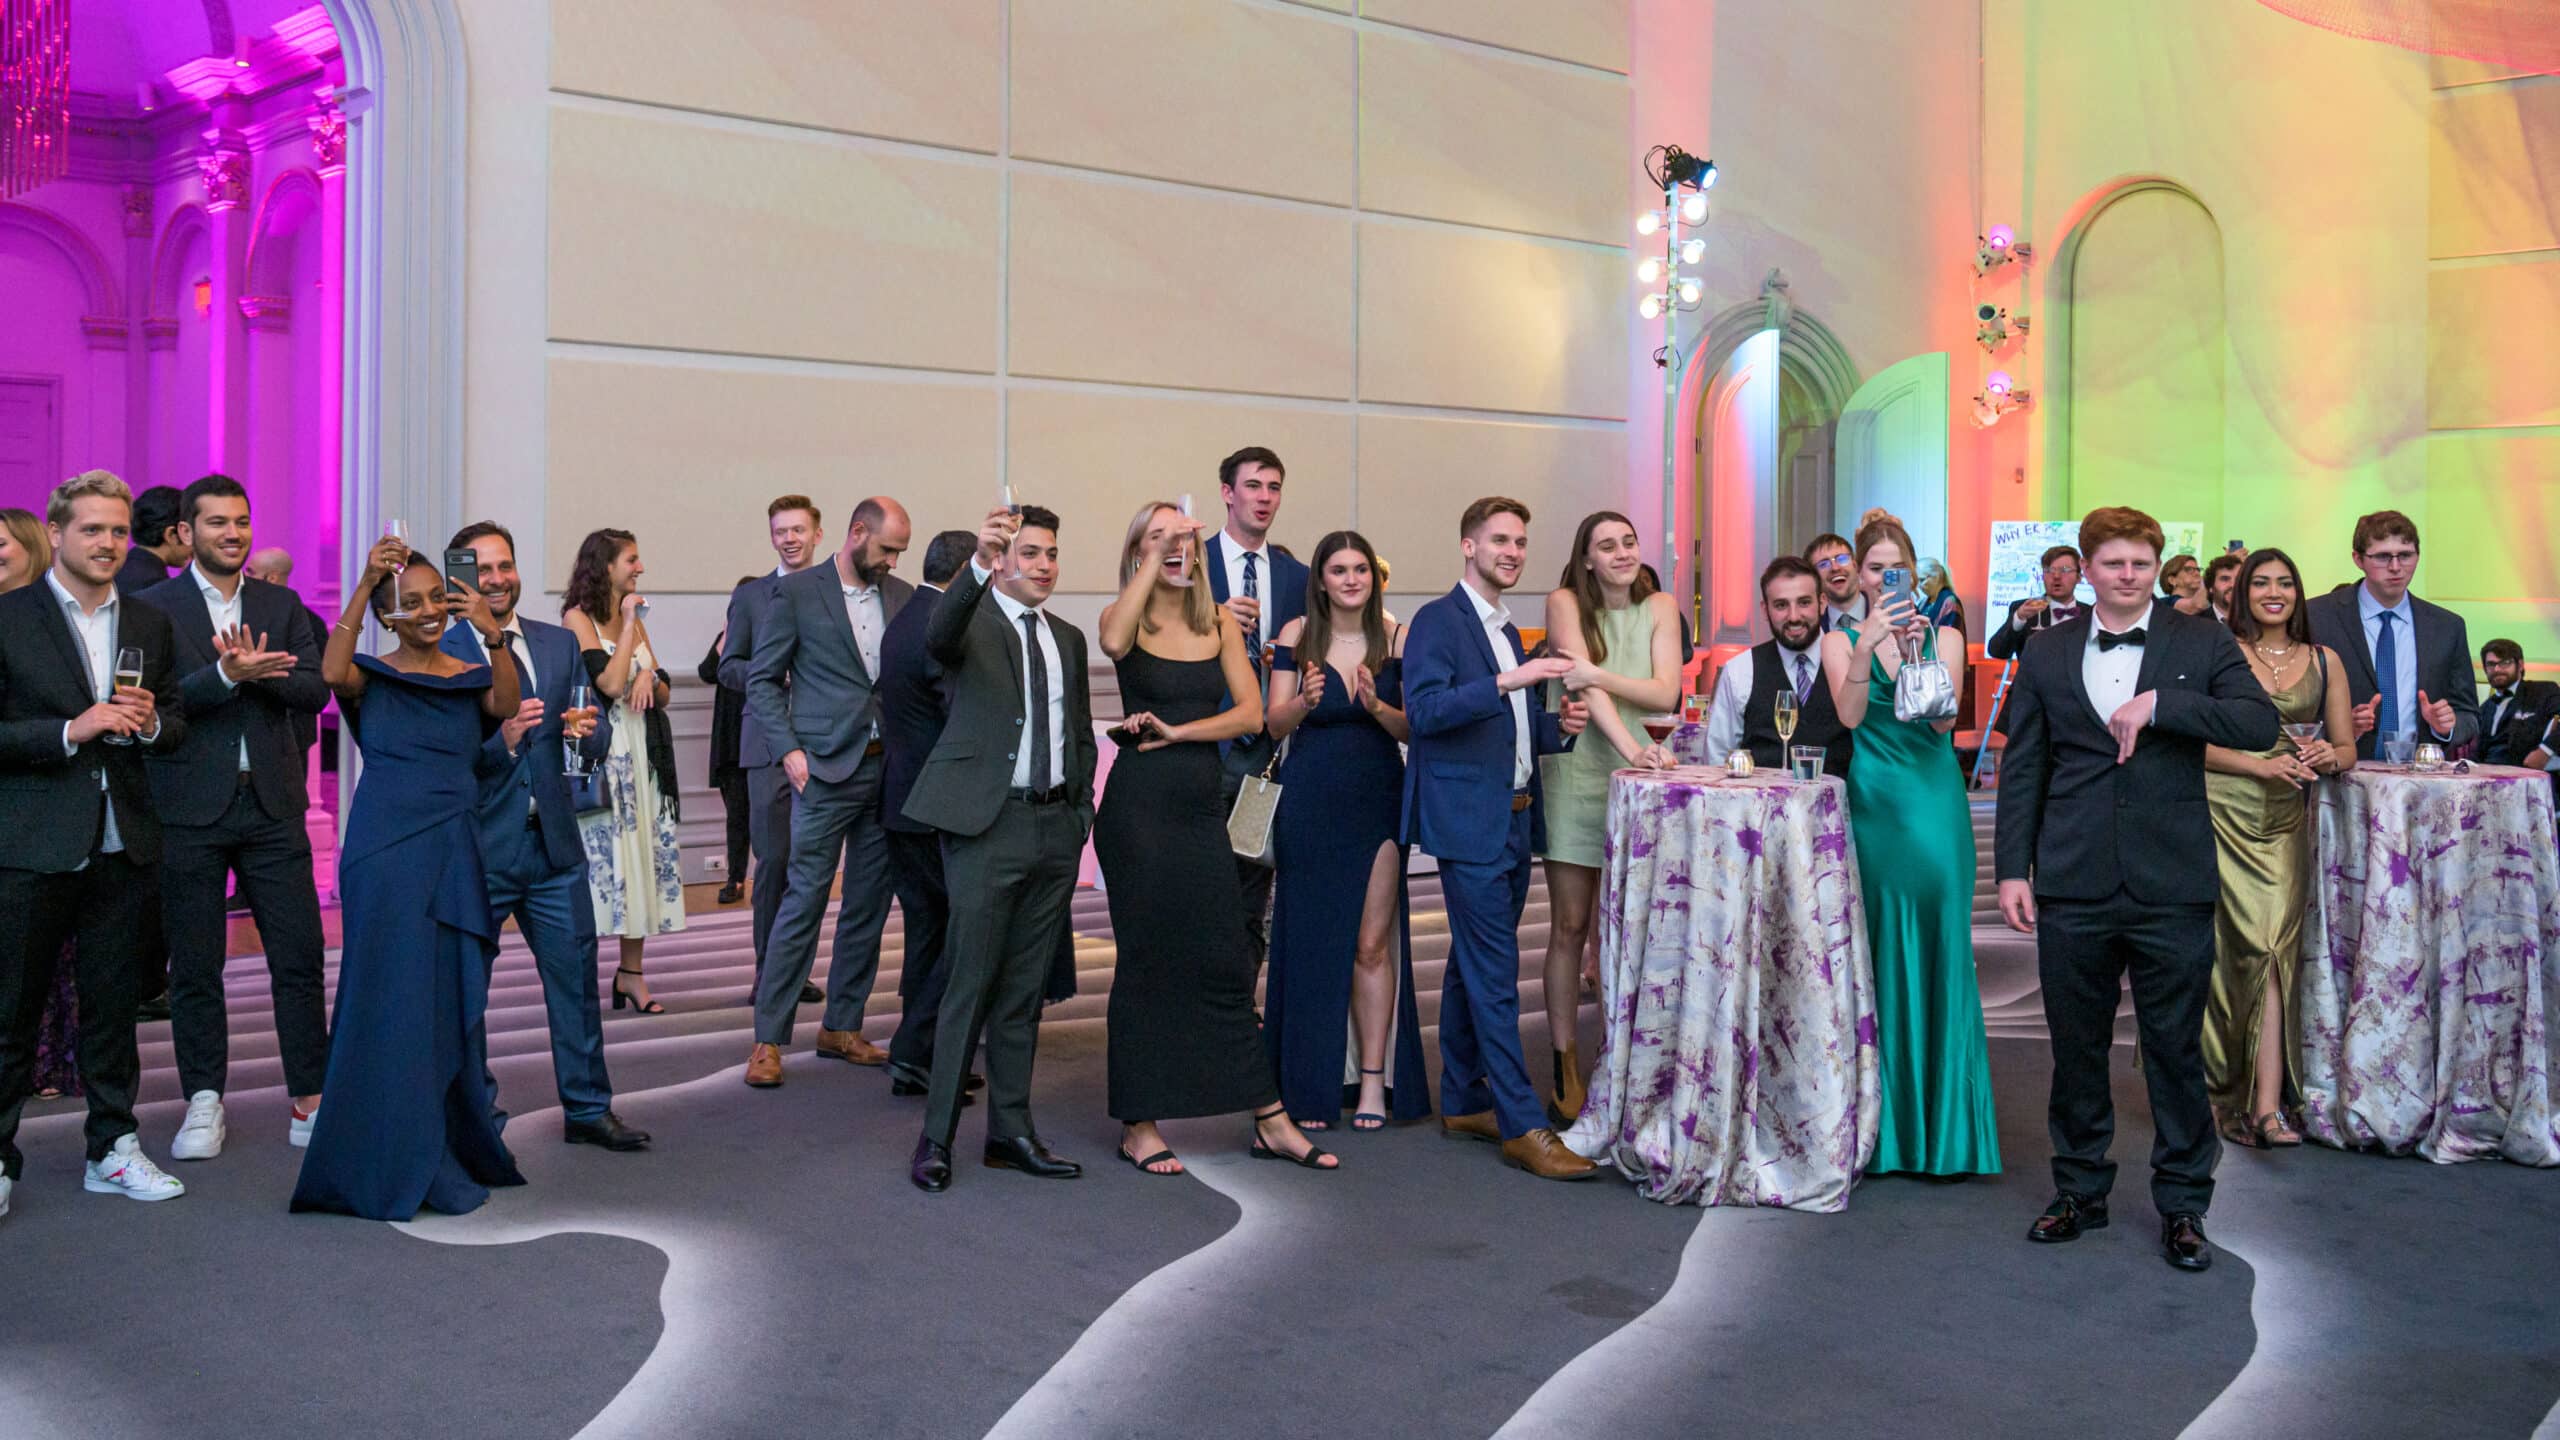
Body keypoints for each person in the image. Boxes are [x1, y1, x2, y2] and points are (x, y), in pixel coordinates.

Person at [1995, 505, 2279, 1273]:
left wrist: (2164, 705)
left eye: (2141, 564)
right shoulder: (2047, 648)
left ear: (2157, 567)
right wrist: (2013, 868)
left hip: (2171, 880)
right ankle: (2079, 1189)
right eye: (2114, 563)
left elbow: (2258, 725)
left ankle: (2184, 1205)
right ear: (2087, 569)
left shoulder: (2200, 639)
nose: (2128, 575)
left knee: (2174, 1051)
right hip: (2073, 876)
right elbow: (2025, 764)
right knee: (2075, 1048)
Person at [1095, 501, 1336, 1176]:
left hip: (1200, 808)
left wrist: (1179, 731)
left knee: (1228, 957)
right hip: (1138, 813)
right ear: (1139, 551)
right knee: (1145, 963)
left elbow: (1251, 714)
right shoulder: (1125, 617)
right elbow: (1111, 644)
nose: (1177, 548)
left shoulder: (1220, 622)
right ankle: (1139, 1124)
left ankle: (1269, 1118)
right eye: (1159, 539)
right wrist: (1155, 555)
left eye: (1185, 539)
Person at [295, 538, 523, 1218]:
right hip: (385, 854)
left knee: (445, 998)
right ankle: (377, 1156)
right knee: (385, 999)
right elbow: (331, 671)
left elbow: (506, 704)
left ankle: (442, 1145)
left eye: (435, 599)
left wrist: (492, 632)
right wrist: (366, 582)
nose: (427, 611)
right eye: (410, 602)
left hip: (452, 849)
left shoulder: (470, 675)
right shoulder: (369, 676)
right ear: (386, 615)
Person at [0, 471, 191, 1218]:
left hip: (123, 843)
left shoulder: (149, 621)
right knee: (10, 1016)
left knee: (112, 1013)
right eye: (92, 529)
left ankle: (112, 1147)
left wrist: (150, 723)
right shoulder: (9, 617)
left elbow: (173, 722)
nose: (108, 542)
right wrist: (67, 731)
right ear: (56, 534)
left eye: (117, 530)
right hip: (32, 843)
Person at [138, 475, 332, 1161]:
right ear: (186, 532)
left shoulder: (281, 603)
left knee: (300, 958)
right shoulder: (152, 608)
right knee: (196, 968)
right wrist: (225, 677)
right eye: (217, 522)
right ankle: (203, 1102)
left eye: (242, 521)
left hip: (273, 807)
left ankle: (311, 1098)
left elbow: (314, 690)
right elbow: (153, 705)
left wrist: (261, 673)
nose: (233, 533)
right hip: (188, 808)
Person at [1403, 497, 1597, 1180]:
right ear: (1468, 546)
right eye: (1499, 541)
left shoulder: (1507, 627)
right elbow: (1424, 712)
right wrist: (1511, 679)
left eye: (1520, 543)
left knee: (1472, 962)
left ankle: (1463, 1097)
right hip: (1469, 822)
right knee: (1494, 975)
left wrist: (1557, 728)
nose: (1512, 552)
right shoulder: (1438, 621)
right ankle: (1522, 1124)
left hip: (1514, 816)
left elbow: (1506, 728)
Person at [903, 506, 1095, 1193]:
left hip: (1054, 827)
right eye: (1030, 553)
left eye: (1052, 554)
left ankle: (1010, 1133)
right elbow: (937, 634)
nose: (1044, 565)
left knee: (1023, 992)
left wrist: (1079, 816)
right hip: (987, 827)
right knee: (969, 984)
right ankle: (936, 1137)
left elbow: (1078, 732)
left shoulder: (1068, 638)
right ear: (1005, 560)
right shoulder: (972, 622)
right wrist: (978, 564)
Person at [446, 522, 649, 1152]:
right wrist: (501, 745)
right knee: (465, 995)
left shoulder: (556, 643)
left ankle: (588, 1109)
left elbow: (593, 738)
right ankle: (478, 1119)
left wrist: (585, 736)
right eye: (482, 568)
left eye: (504, 565)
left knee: (576, 983)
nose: (496, 579)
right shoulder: (441, 650)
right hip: (479, 850)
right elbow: (438, 762)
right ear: (460, 577)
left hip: (555, 847)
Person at [1819, 508, 2000, 1180]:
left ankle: (1947, 1131)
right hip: (1875, 804)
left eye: (1897, 568)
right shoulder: (1839, 640)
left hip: (1934, 801)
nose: (1885, 578)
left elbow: (1942, 722)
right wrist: (1868, 645)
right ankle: (1887, 1128)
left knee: (1943, 945)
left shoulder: (1944, 634)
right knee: (1882, 949)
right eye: (1874, 569)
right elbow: (1849, 716)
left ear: (1913, 573)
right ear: (1859, 576)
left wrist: (1918, 650)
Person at [740, 498, 913, 1085]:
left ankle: (842, 1026)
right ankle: (768, 1039)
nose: (893, 561)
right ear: (857, 532)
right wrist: (788, 749)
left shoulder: (900, 595)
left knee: (868, 906)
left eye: (900, 553)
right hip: (820, 772)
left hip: (885, 771)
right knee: (803, 902)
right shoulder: (796, 593)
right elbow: (763, 680)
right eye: (887, 549)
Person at [1262, 530, 1426, 1132]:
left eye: (1360, 569)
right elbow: (1273, 724)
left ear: (1373, 578)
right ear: (1322, 579)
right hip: (1309, 801)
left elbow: (1414, 730)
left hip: (1377, 798)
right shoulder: (1296, 635)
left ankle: (1374, 1083)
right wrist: (1305, 701)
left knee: (1371, 944)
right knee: (1311, 942)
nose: (1351, 579)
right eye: (1339, 570)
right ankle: (1309, 1085)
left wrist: (1377, 707)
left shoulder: (1398, 637)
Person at [2200, 547, 2355, 1151]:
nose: (2273, 592)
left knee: (2271, 952)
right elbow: (2191, 743)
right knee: (2220, 956)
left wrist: (2328, 755)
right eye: (2260, 582)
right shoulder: (2218, 651)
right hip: (2220, 812)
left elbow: (2346, 748)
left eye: (2285, 583)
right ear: (2242, 593)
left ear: (2298, 592)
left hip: (2285, 819)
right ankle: (2216, 1095)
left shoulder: (2324, 660)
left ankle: (2267, 1107)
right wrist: (2258, 766)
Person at [1536, 512, 1678, 1126]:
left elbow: (1666, 693)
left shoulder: (1661, 606)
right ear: (1587, 558)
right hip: (1579, 772)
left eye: (1629, 542)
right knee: (1570, 925)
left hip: (1640, 779)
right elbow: (1588, 692)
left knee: (1626, 928)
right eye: (1607, 546)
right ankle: (1565, 1061)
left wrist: (1596, 672)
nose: (1622, 553)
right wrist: (1631, 748)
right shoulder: (1564, 600)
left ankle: (1620, 1061)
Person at [562, 529, 688, 1014]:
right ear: (606, 565)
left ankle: (631, 974)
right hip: (606, 756)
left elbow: (663, 691)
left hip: (644, 755)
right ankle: (578, 978)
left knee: (640, 863)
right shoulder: (578, 618)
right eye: (632, 560)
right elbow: (610, 683)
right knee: (605, 867)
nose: (640, 568)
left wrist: (648, 674)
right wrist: (632, 628)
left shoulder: (633, 618)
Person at [1201, 446, 1307, 977]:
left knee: (1251, 895)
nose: (1264, 498)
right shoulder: (1190, 564)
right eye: (1253, 486)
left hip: (1264, 757)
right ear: (1227, 492)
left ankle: (1238, 1006)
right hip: (1203, 747)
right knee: (1195, 891)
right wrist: (1212, 619)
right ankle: (1195, 1005)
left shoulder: (1297, 577)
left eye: (1274, 487)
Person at [879, 530, 978, 1099]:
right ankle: (916, 1050)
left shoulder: (904, 618)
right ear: (964, 573)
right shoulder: (942, 626)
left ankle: (924, 1058)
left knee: (926, 935)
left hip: (902, 801)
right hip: (939, 806)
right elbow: (960, 717)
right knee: (959, 936)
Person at [718, 497, 829, 1004]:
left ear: (817, 535)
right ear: (771, 537)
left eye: (798, 530)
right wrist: (772, 673)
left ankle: (795, 971)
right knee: (775, 861)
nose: (790, 538)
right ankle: (768, 975)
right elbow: (728, 667)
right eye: (781, 531)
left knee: (812, 867)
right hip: (766, 745)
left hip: (828, 745)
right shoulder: (751, 597)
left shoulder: (835, 592)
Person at [0, 510, 83, 1105]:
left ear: (32, 546)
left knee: (40, 952)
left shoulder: (54, 625)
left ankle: (47, 1060)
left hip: (45, 806)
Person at [2304, 511, 2479, 761]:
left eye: (2405, 556)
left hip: (2420, 774)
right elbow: (2293, 709)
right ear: (2358, 559)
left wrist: (2446, 727)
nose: (2395, 567)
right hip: (2339, 772)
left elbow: (2469, 714)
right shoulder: (2317, 617)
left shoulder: (2447, 627)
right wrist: (2340, 729)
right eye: (2383, 557)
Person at [1705, 555, 1852, 775]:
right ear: (1765, 610)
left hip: (1842, 797)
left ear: (1822, 603)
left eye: (1804, 602)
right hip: (1761, 797)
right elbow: (1717, 760)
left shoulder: (1852, 661)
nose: (1794, 616)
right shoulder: (1740, 670)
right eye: (1781, 605)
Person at [697, 582, 756, 905]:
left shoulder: (769, 635)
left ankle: (772, 879)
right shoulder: (728, 639)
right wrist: (728, 633)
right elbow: (707, 672)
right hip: (730, 741)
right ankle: (736, 878)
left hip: (759, 739)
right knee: (736, 815)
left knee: (764, 817)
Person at [245, 546, 328, 757]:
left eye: (250, 572)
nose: (244, 578)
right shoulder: (314, 621)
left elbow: (317, 685)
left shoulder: (308, 623)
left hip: (291, 733)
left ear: (271, 578)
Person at [1986, 545, 2083, 663]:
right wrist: (2019, 619)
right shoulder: (2025, 610)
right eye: (2049, 570)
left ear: (2079, 577)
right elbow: (1997, 651)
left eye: (2065, 570)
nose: (2056, 576)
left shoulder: (2091, 612)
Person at [2479, 639, 2560, 766]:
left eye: (2505, 663)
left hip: (2528, 773)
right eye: (2491, 664)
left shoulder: (2543, 691)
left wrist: (2545, 751)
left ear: (2520, 665)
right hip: (2485, 772)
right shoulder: (2484, 709)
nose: (2497, 669)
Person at [115, 483, 188, 596]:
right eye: (187, 532)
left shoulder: (118, 567)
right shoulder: (156, 586)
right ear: (171, 535)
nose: (194, 545)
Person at [1804, 532, 1866, 634]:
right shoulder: (1809, 628)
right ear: (1814, 579)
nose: (1835, 568)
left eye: (1842, 559)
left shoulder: (1883, 610)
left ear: (1855, 566)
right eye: (1823, 564)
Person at [1916, 558, 1967, 641]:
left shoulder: (1950, 602)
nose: (1919, 586)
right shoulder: (1923, 603)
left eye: (1922, 580)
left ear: (1937, 577)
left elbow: (1949, 637)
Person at [2201, 552, 2243, 625]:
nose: (2233, 585)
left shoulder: (2258, 622)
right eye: (2225, 579)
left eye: (2239, 579)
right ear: (2211, 587)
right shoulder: (2196, 622)